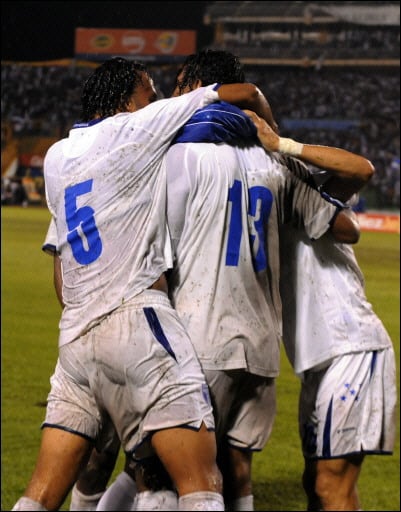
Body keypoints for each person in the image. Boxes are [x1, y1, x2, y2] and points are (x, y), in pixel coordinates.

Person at [94, 50, 372, 511]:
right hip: (260, 348)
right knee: (237, 469)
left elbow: (151, 254)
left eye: (180, 87)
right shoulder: (275, 161)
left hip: (198, 337)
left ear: (200, 88)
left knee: (153, 467)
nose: (174, 98)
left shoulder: (175, 157)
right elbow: (345, 225)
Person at [12, 56, 277, 512]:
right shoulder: (139, 128)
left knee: (42, 492)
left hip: (75, 337)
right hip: (139, 323)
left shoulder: (57, 156)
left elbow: (59, 261)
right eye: (150, 93)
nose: (157, 100)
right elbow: (245, 93)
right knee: (199, 481)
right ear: (127, 99)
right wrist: (270, 138)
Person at [249, 112, 397, 511]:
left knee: (332, 486)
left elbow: (362, 169)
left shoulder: (302, 188)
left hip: (351, 347)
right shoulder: (254, 201)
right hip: (317, 359)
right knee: (316, 485)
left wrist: (282, 146)